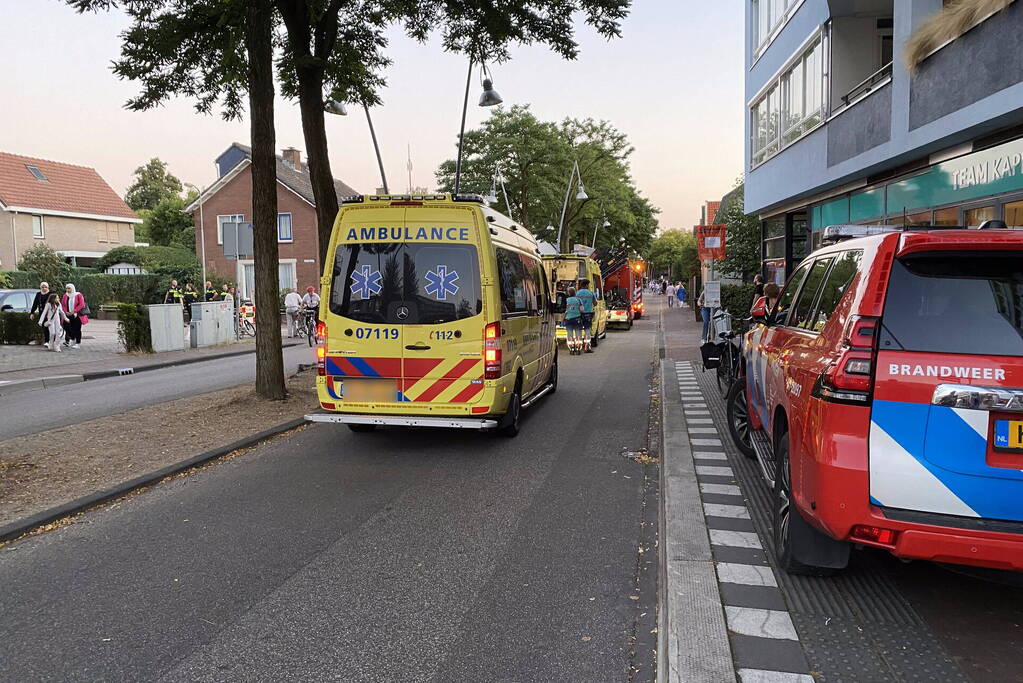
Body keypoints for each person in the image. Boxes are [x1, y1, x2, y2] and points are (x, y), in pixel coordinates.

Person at [61, 283, 88, 349]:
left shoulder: (78, 295)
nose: (68, 290)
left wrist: (74, 311)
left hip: (77, 315)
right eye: (67, 288)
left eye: (69, 288)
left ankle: (78, 343)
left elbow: (81, 304)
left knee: (77, 329)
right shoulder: (65, 295)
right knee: (66, 326)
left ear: (72, 288)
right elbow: (63, 304)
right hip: (68, 314)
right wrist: (66, 311)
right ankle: (72, 338)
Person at [575, 279, 596, 353]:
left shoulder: (577, 293)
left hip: (579, 314)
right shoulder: (590, 293)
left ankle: (578, 347)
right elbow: (595, 303)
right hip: (588, 314)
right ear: (586, 285)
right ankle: (587, 347)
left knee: (579, 330)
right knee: (587, 330)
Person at [28, 281, 51, 345]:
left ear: (48, 287)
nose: (44, 288)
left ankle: (50, 340)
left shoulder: (50, 294)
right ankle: (47, 341)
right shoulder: (38, 294)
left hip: (50, 313)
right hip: (42, 312)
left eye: (45, 287)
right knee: (44, 327)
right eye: (42, 287)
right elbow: (35, 304)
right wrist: (32, 312)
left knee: (50, 327)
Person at [563, 286, 585, 355]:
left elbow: (564, 311)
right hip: (577, 318)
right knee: (578, 333)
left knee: (570, 334)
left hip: (568, 319)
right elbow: (582, 310)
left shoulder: (566, 300)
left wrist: (563, 319)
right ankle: (578, 348)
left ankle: (571, 348)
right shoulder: (578, 300)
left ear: (568, 293)